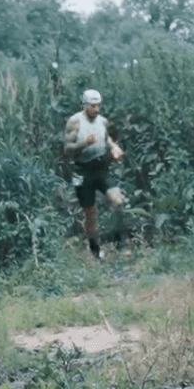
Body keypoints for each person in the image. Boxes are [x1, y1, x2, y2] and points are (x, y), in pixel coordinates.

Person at [61, 88, 125, 261]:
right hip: (82, 170)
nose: (96, 110)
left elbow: (107, 138)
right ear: (85, 106)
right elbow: (67, 150)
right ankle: (95, 249)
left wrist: (114, 147)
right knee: (90, 213)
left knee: (117, 200)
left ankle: (117, 240)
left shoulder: (102, 121)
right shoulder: (75, 122)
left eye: (99, 106)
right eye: (93, 106)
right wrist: (83, 143)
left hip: (101, 167)